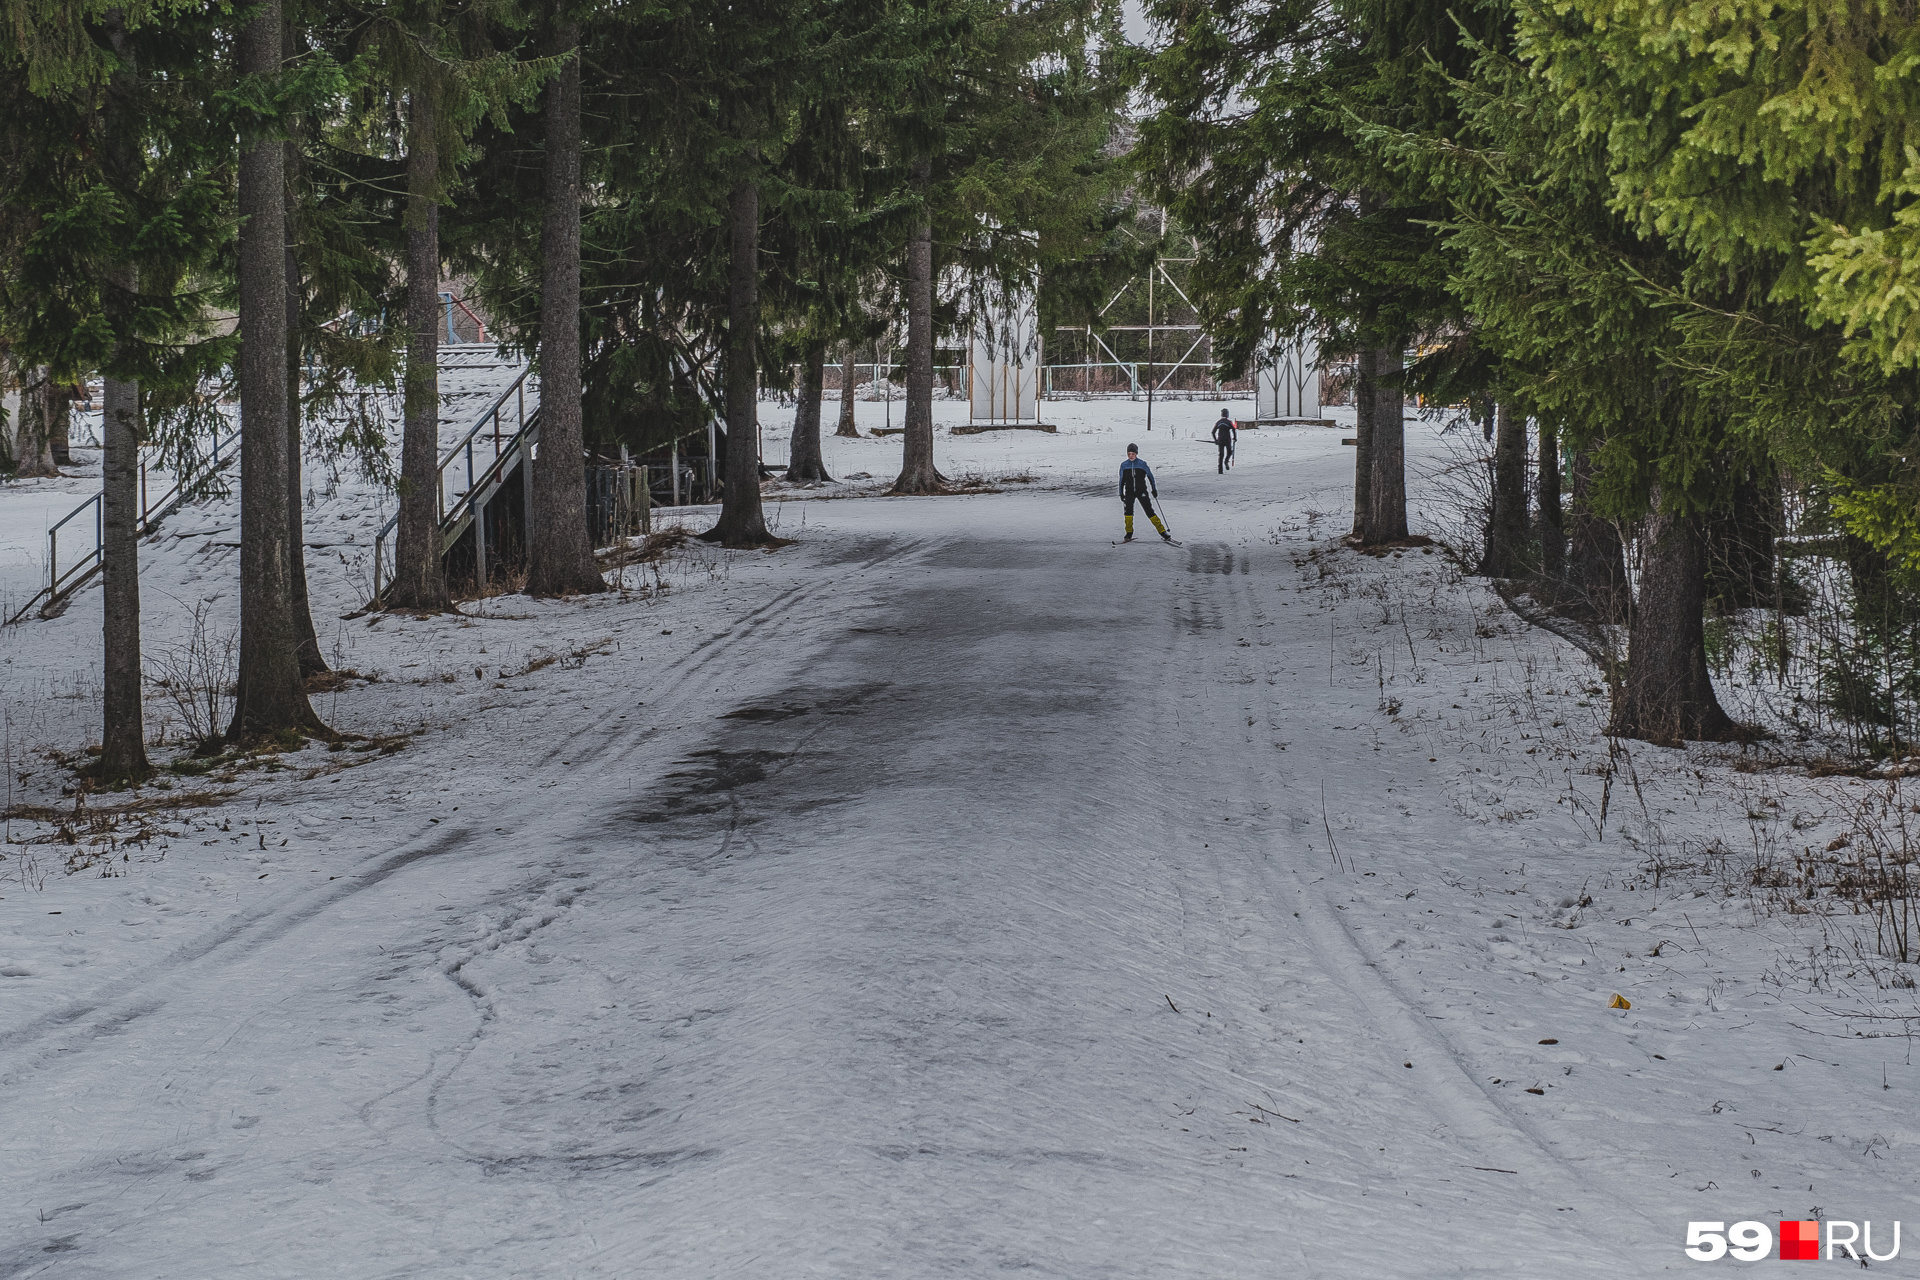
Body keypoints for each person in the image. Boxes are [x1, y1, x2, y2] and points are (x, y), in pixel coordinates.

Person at [1119, 444, 1171, 542]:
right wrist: (1121, 493)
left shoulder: (1142, 464)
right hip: (1129, 492)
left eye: (1133, 454)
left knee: (1149, 511)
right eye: (1129, 454)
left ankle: (1163, 532)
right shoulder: (1124, 465)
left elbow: (1150, 477)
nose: (1131, 456)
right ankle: (1128, 533)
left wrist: (1154, 489)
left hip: (1141, 491)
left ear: (1136, 454)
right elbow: (1121, 480)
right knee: (1128, 512)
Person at [1211, 407, 1238, 473]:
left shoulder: (1218, 422)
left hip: (1220, 440)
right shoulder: (1229, 422)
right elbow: (1234, 429)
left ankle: (1220, 470)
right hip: (1227, 440)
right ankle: (1226, 461)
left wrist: (1216, 440)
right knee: (1229, 452)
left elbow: (1213, 432)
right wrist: (1235, 438)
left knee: (1221, 455)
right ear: (1227, 415)